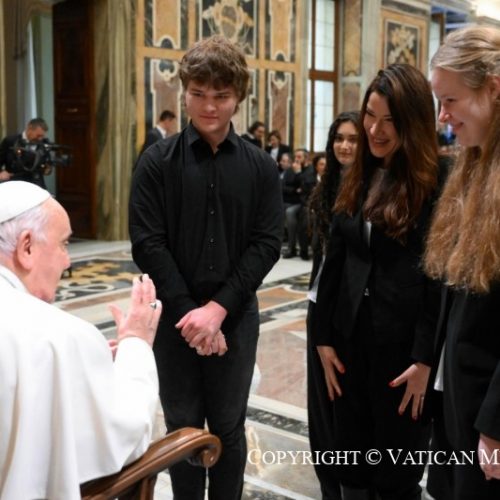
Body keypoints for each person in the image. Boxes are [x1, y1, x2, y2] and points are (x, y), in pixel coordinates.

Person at [128, 35, 283, 500]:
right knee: (182, 431)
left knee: (230, 429)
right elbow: (147, 243)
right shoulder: (156, 161)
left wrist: (217, 310)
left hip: (233, 319)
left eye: (221, 95)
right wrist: (191, 315)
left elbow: (266, 244)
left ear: (239, 96)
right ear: (184, 93)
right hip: (174, 321)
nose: (209, 106)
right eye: (197, 94)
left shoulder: (260, 166)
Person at [313, 64, 440, 500]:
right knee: (350, 465)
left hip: (402, 356)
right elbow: (335, 261)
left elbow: (436, 280)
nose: (375, 129)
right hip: (349, 344)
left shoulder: (433, 183)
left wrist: (425, 360)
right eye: (370, 114)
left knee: (395, 475)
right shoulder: (358, 174)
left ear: (412, 122)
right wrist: (322, 338)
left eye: (389, 120)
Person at [0, 181, 162, 500]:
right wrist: (136, 343)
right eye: (63, 244)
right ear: (26, 247)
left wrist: (85, 363)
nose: (68, 262)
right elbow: (125, 433)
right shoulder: (58, 335)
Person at [424, 25, 500, 499]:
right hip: (456, 395)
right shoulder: (473, 163)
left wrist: (495, 425)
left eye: (450, 100)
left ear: (493, 89)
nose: (443, 116)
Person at [306, 111, 359, 500]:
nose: (344, 146)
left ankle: (350, 479)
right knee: (320, 403)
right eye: (339, 138)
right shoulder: (325, 189)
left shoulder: (373, 188)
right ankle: (329, 482)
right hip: (318, 304)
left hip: (352, 311)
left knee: (345, 396)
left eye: (353, 139)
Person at [0, 117, 50, 188]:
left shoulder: (44, 144)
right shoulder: (11, 141)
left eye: (42, 136)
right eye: (38, 135)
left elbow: (47, 164)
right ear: (29, 128)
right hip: (14, 183)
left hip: (36, 185)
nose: (40, 139)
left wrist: (47, 169)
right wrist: (1, 172)